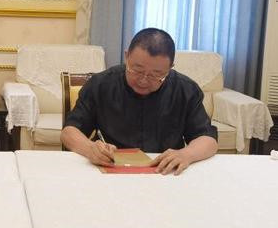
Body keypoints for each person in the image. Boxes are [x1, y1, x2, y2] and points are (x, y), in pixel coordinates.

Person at [61, 28, 218, 175]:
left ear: (170, 68)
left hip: (165, 172)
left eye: (156, 75)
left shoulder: (186, 90)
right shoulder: (100, 84)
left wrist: (186, 154)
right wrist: (90, 149)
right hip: (110, 169)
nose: (143, 80)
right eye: (137, 70)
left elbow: (208, 139)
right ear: (126, 56)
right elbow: (69, 132)